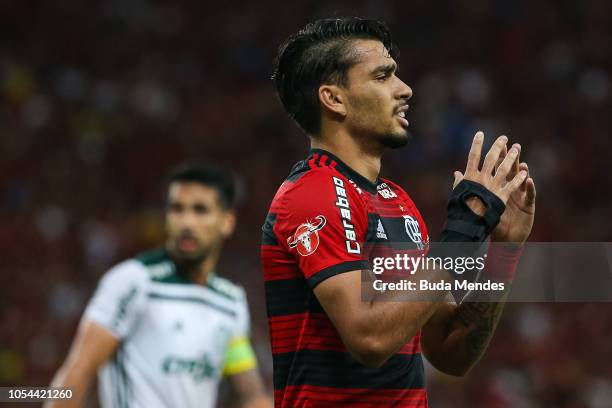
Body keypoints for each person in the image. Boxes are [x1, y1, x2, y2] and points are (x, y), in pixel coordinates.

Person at [261, 17, 536, 407]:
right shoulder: (310, 194)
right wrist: (463, 230)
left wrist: (503, 250)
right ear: (333, 99)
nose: (404, 89)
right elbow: (369, 340)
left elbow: (450, 352)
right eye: (382, 76)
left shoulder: (397, 202)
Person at [47, 162, 271, 408]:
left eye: (200, 210)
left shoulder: (230, 302)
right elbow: (77, 373)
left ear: (227, 222)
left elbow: (250, 393)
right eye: (177, 209)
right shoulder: (134, 282)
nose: (187, 222)